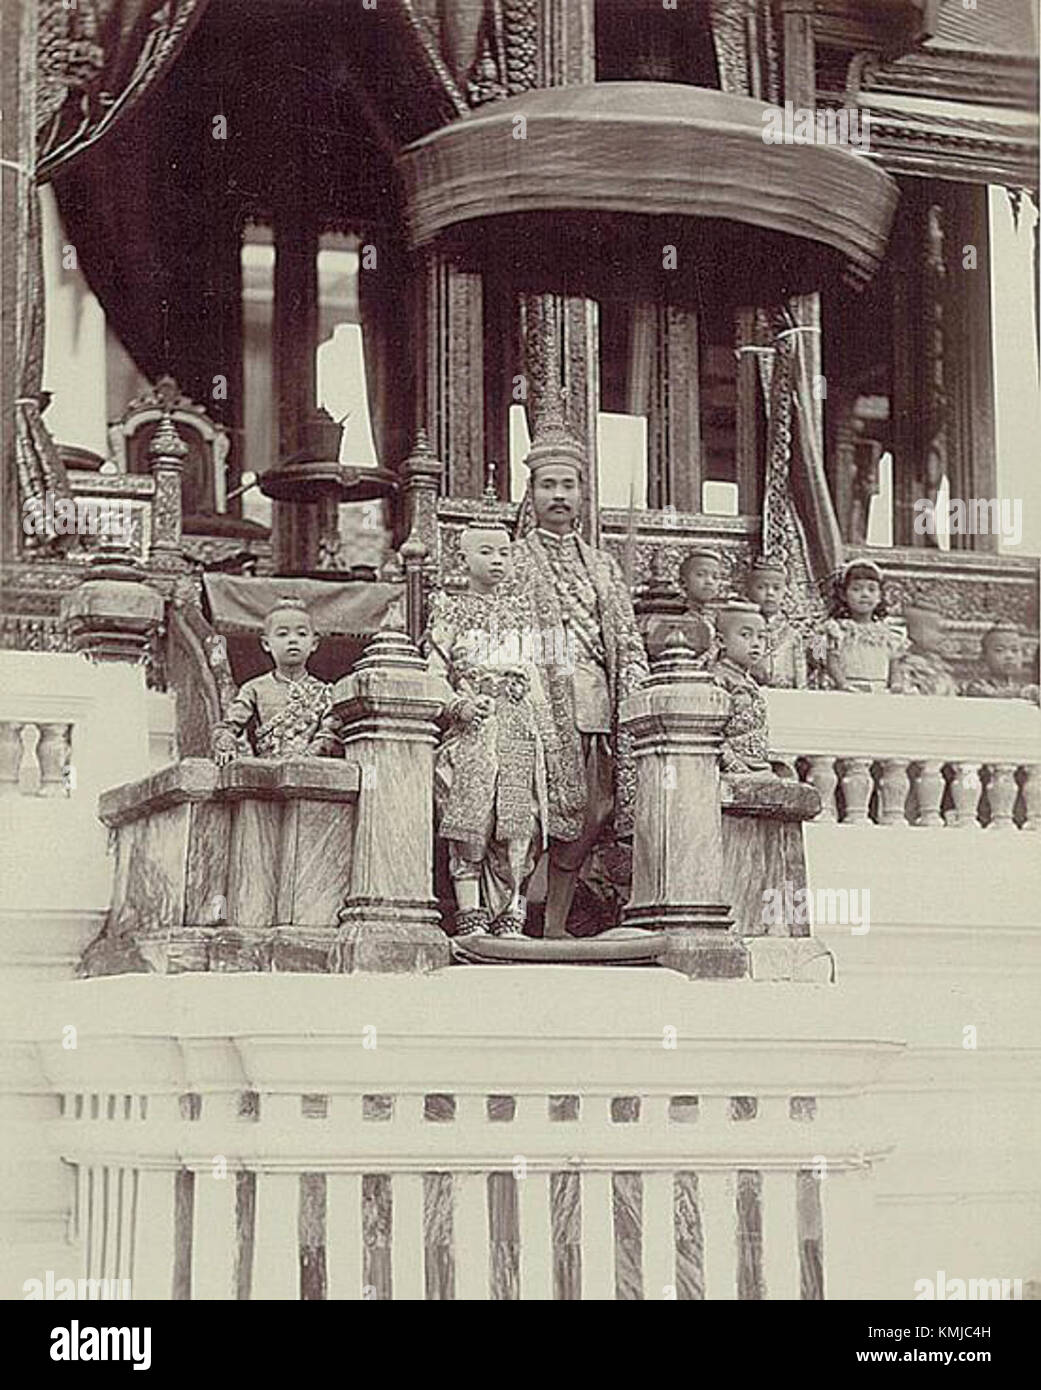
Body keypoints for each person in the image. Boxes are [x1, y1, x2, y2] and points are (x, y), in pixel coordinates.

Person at [510, 408, 650, 938]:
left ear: (582, 494)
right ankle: (511, 918)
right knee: (533, 816)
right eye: (549, 485)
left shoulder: (602, 565)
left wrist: (633, 695)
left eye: (568, 485)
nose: (559, 496)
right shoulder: (514, 560)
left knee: (593, 813)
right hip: (536, 705)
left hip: (595, 704)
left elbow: (625, 637)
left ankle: (554, 926)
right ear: (533, 492)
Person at [424, 512, 557, 938]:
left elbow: (536, 675)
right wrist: (458, 706)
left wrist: (547, 733)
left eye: (504, 552)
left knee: (521, 828)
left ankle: (510, 917)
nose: (497, 560)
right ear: (463, 561)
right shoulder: (449, 608)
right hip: (473, 732)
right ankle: (470, 916)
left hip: (519, 730)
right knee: (471, 825)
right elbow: (434, 672)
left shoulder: (522, 611)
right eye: (486, 552)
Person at [211, 598, 338, 763]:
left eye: (301, 634)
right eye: (282, 634)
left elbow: (330, 734)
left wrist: (307, 758)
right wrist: (226, 742)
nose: (293, 640)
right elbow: (228, 726)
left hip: (309, 770)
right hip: (267, 771)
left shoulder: (325, 692)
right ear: (266, 644)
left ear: (314, 643)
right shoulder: (254, 688)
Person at [810, 559, 908, 693]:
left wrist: (896, 684)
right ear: (844, 595)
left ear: (880, 596)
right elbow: (830, 661)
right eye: (856, 589)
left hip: (880, 693)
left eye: (871, 589)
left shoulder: (890, 634)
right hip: (849, 691)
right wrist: (843, 684)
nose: (865, 595)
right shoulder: (836, 629)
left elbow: (894, 666)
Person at [708, 602, 775, 776]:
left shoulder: (749, 681)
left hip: (756, 765)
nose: (755, 644)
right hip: (732, 767)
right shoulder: (718, 679)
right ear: (721, 641)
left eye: (761, 637)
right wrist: (734, 765)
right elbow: (712, 732)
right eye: (746, 635)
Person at [642, 547, 724, 663]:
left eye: (715, 577)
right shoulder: (675, 616)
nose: (709, 581)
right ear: (683, 582)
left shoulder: (717, 618)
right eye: (701, 575)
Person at [745, 555, 807, 689]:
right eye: (761, 587)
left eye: (776, 588)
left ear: (786, 592)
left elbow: (802, 665)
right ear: (749, 590)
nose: (770, 593)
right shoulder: (743, 628)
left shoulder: (793, 632)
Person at [890, 604, 959, 697]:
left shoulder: (939, 666)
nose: (942, 637)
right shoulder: (907, 669)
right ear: (917, 633)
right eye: (935, 630)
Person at [964, 620, 1040, 702]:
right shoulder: (977, 686)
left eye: (1015, 650)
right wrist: (1022, 693)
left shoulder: (1023, 687)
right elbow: (991, 695)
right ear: (983, 656)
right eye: (999, 650)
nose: (1009, 656)